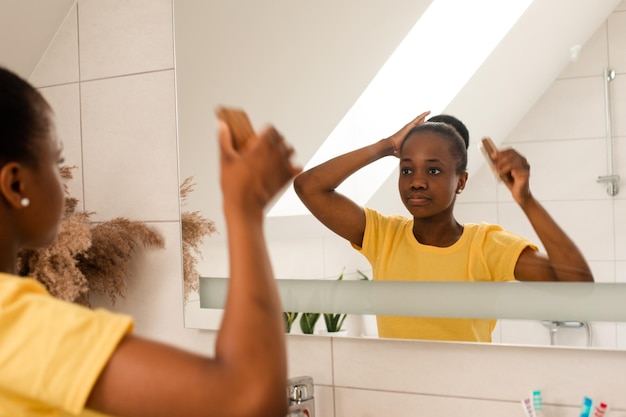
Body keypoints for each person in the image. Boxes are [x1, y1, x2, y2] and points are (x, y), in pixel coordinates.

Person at [0, 66, 302, 417]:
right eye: (57, 160)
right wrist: (245, 208)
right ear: (16, 185)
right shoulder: (11, 320)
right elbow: (249, 401)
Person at [293, 111, 593, 343]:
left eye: (433, 170)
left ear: (460, 181)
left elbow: (580, 290)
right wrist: (386, 146)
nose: (417, 181)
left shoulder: (486, 245)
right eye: (407, 169)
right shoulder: (383, 235)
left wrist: (525, 199)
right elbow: (309, 187)